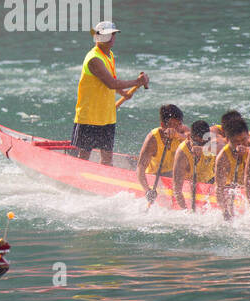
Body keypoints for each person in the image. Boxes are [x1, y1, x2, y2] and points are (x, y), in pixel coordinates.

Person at [72, 21, 149, 165]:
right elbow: (111, 83)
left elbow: (111, 79)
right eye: (107, 35)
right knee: (83, 157)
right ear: (97, 38)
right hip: (89, 117)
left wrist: (123, 93)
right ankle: (77, 181)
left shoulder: (109, 55)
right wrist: (137, 82)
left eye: (113, 34)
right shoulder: (94, 59)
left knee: (107, 158)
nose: (111, 38)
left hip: (107, 116)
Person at [135, 104, 187, 203]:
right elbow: (140, 168)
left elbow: (193, 140)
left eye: (179, 124)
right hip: (155, 176)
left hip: (174, 174)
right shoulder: (153, 139)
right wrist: (147, 190)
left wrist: (178, 135)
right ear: (163, 125)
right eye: (173, 125)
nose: (177, 128)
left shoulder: (182, 131)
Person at [214, 112, 250, 220]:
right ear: (227, 140)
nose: (241, 144)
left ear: (248, 135)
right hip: (233, 189)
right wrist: (225, 212)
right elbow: (219, 189)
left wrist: (249, 151)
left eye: (244, 140)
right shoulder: (223, 158)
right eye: (236, 142)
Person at [171, 120, 216, 211]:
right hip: (190, 185)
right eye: (197, 143)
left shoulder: (212, 142)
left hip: (211, 181)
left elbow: (223, 147)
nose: (199, 146)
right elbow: (177, 189)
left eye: (203, 143)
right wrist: (186, 210)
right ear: (188, 137)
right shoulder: (182, 154)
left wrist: (203, 149)